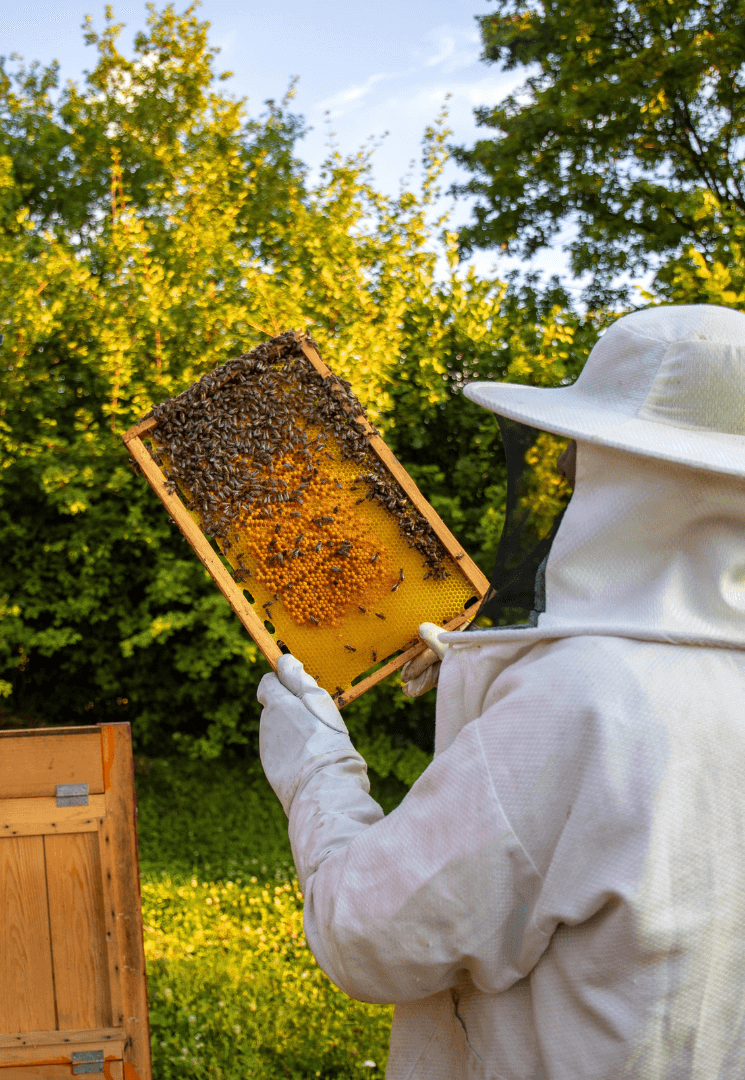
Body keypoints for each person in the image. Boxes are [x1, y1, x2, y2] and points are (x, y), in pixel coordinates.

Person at [257, 304, 745, 1079]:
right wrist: (478, 673)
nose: (561, 471)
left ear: (640, 476)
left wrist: (315, 769)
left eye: (585, 449)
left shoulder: (579, 704)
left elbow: (369, 936)